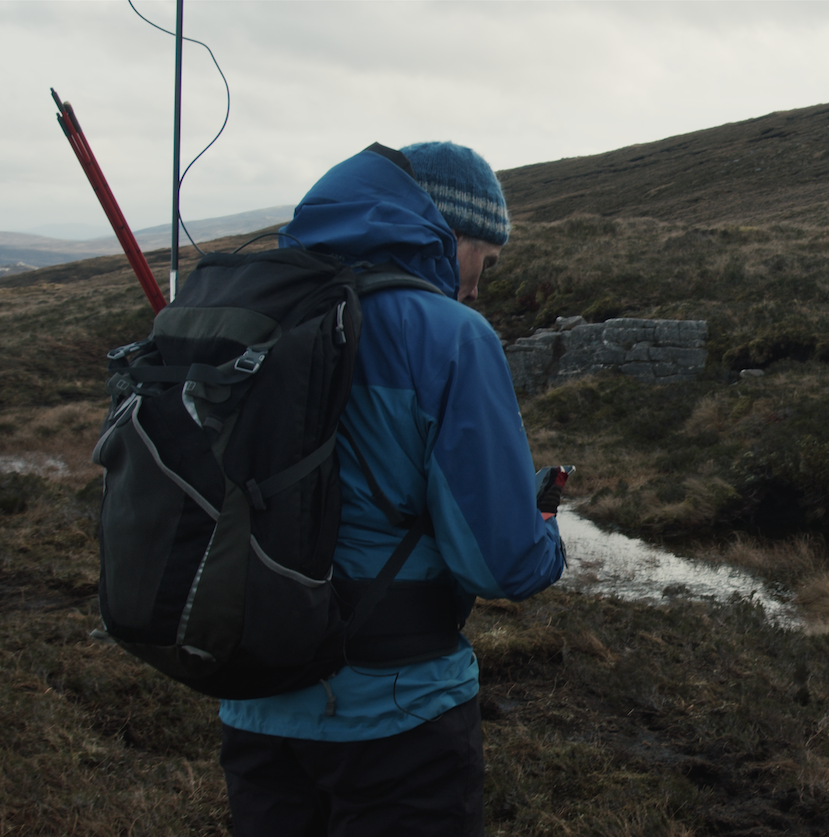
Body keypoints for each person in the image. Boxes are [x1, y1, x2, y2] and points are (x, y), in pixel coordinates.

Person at [216, 141, 567, 836]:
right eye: (482, 260)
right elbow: (498, 562)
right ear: (444, 232)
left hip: (255, 701)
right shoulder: (450, 335)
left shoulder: (252, 313)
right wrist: (546, 528)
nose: (476, 287)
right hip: (399, 715)